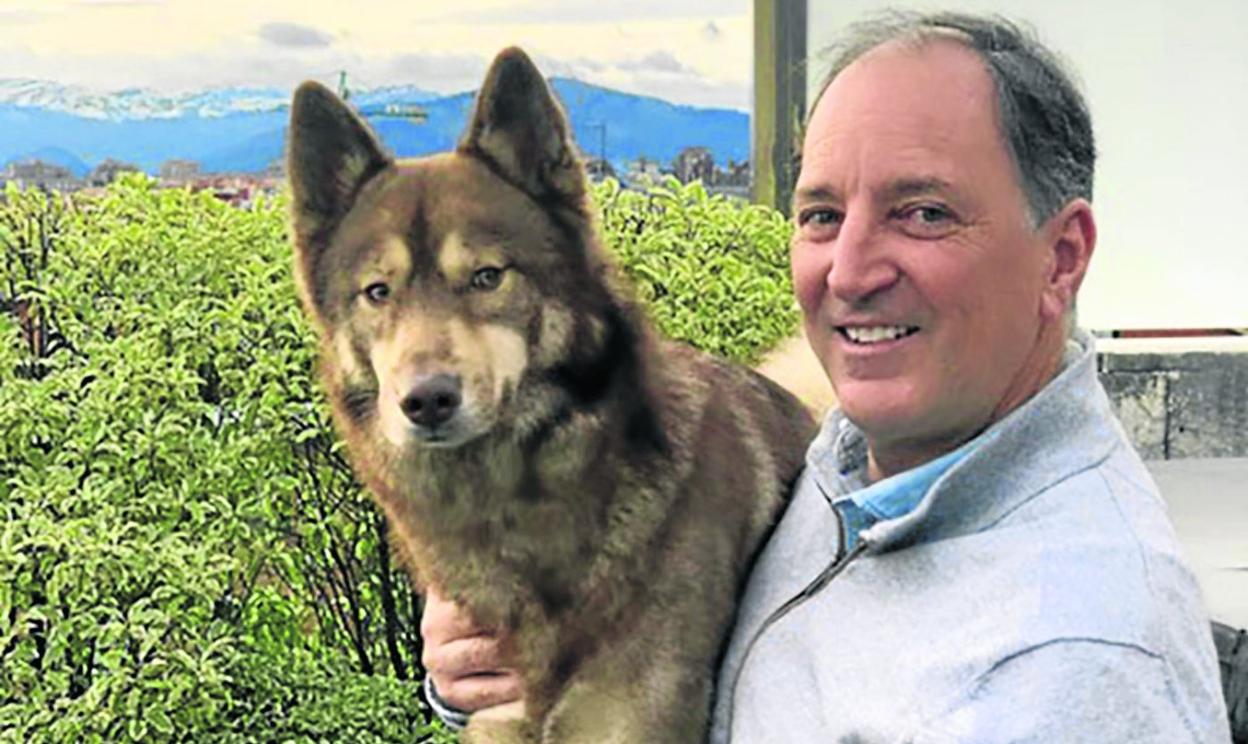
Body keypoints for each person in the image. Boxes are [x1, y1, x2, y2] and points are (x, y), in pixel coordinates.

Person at [420, 11, 1232, 742]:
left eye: (924, 212)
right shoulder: (864, 458)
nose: (847, 272)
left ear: (1062, 258)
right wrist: (489, 665)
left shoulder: (1065, 674)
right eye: (822, 215)